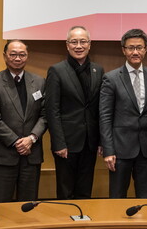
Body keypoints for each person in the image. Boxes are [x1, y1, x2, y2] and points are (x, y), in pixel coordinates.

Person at [99, 29, 147, 198]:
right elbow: (104, 116)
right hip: (120, 150)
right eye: (131, 48)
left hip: (146, 150)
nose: (135, 52)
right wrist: (108, 149)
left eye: (139, 47)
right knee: (117, 197)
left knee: (146, 197)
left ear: (146, 49)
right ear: (123, 50)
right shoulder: (111, 78)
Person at [45, 26, 104, 199]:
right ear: (67, 45)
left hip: (90, 142)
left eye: (83, 41)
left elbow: (99, 109)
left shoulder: (98, 70)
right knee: (66, 190)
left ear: (89, 44)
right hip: (67, 143)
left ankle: (83, 221)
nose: (79, 46)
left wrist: (100, 140)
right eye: (74, 42)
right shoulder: (57, 70)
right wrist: (59, 143)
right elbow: (52, 110)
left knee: (85, 189)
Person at [0, 40, 47, 202]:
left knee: (28, 204)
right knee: (2, 204)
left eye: (22, 54)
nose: (17, 58)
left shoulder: (39, 82)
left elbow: (45, 115)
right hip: (4, 155)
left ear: (27, 56)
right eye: (13, 54)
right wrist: (17, 142)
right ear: (5, 56)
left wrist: (31, 139)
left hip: (31, 155)